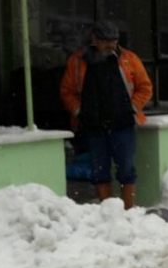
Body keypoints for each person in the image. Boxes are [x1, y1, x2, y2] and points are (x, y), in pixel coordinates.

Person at [60, 21, 153, 209]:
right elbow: (66, 91)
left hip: (123, 124)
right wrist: (79, 111)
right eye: (105, 41)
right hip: (93, 125)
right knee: (99, 170)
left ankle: (128, 208)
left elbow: (145, 87)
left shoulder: (129, 59)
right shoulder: (78, 61)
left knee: (126, 168)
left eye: (114, 40)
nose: (110, 45)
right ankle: (107, 209)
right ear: (94, 40)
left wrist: (133, 107)